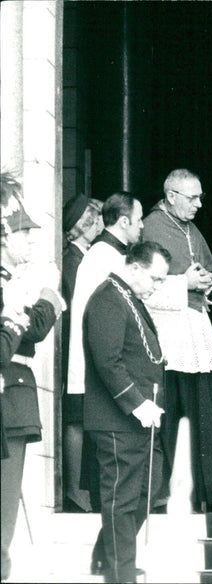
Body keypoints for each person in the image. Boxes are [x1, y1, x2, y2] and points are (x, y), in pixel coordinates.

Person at [142, 168, 212, 512]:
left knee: (201, 413)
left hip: (195, 332)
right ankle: (167, 495)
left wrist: (208, 284)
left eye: (200, 197)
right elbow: (144, 286)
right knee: (173, 413)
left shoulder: (191, 228)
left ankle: (201, 494)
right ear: (171, 195)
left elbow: (209, 271)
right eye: (192, 198)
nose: (198, 204)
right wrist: (185, 284)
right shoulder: (151, 226)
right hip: (168, 335)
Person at [83, 242, 169, 584]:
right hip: (118, 419)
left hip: (139, 419)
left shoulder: (128, 296)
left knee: (149, 488)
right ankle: (121, 574)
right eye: (156, 279)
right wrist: (137, 403)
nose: (157, 286)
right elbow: (109, 361)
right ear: (134, 268)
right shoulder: (108, 299)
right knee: (123, 498)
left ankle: (107, 556)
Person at [1, 172, 65, 581]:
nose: (30, 241)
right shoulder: (10, 284)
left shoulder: (13, 281)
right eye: (22, 232)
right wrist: (41, 301)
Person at [61, 193, 104, 513]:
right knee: (75, 418)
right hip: (73, 351)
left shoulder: (82, 256)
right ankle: (75, 491)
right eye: (95, 219)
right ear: (84, 224)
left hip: (81, 349)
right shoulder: (73, 259)